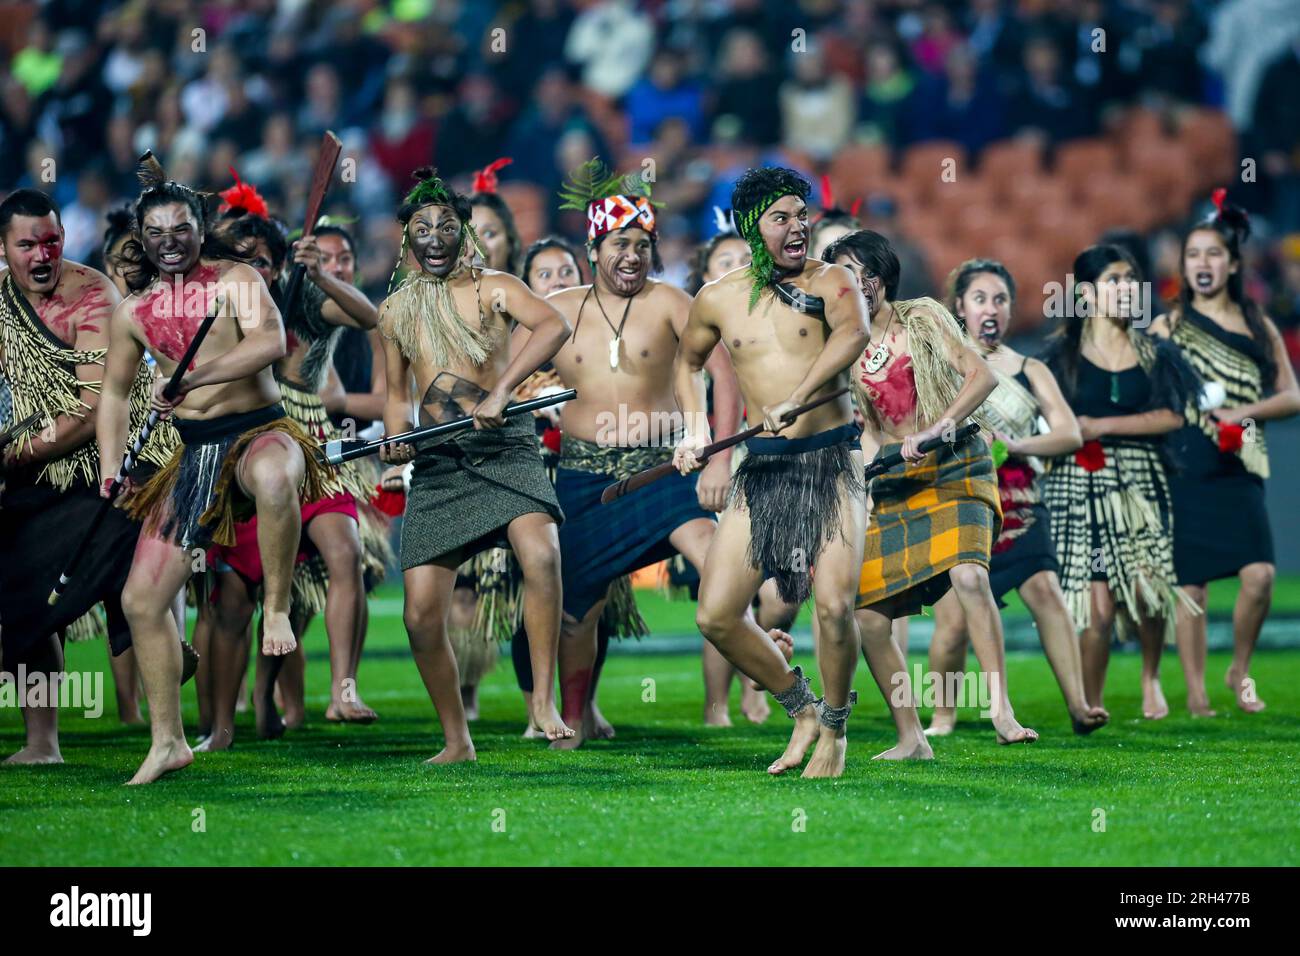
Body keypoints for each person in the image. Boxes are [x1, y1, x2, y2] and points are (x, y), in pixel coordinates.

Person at [99, 153, 330, 784]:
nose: (170, 244)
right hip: (193, 449)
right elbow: (116, 396)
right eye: (156, 234)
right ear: (140, 240)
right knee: (141, 600)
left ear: (200, 229)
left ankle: (276, 609)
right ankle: (168, 740)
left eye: (182, 230)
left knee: (278, 478)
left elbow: (269, 342)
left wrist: (196, 374)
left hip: (259, 429)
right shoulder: (133, 312)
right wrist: (110, 465)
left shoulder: (237, 279)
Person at [675, 167, 897, 778]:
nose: (798, 226)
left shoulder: (836, 279)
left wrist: (799, 395)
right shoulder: (717, 297)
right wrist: (696, 430)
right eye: (782, 217)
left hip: (832, 460)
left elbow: (853, 336)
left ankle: (834, 729)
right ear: (752, 228)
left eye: (802, 214)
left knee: (832, 607)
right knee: (716, 614)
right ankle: (799, 705)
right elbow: (687, 362)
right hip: (764, 470)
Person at [545, 159, 748, 747]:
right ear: (594, 247)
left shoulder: (671, 302)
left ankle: (755, 637)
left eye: (641, 243)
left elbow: (724, 374)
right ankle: (575, 717)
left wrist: (718, 456)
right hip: (584, 474)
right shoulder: (557, 309)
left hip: (662, 467)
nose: (631, 254)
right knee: (575, 610)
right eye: (618, 243)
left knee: (712, 551)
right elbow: (509, 377)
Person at [377, 167, 574, 761]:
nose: (434, 237)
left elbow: (554, 325)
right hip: (440, 459)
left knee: (541, 555)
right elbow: (393, 395)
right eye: (421, 229)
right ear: (407, 241)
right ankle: (456, 738)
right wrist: (395, 443)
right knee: (419, 615)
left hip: (505, 444)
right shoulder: (395, 310)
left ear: (464, 232)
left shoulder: (496, 287)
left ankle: (542, 702)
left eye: (445, 226)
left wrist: (503, 391)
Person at [194, 184, 387, 749]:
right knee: (234, 601)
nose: (256, 270)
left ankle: (343, 690)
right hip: (250, 446)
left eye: (266, 262)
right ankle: (224, 725)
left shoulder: (304, 301)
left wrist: (321, 274)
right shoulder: (221, 305)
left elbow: (370, 315)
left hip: (317, 449)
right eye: (245, 261)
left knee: (344, 552)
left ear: (280, 266)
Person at [825, 230, 1036, 748]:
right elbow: (870, 424)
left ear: (879, 276)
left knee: (968, 577)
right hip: (898, 479)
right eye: (844, 275)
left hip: (954, 463)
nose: (858, 283)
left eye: (862, 271)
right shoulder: (844, 343)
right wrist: (869, 470)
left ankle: (1001, 711)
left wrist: (937, 426)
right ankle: (911, 736)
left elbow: (980, 376)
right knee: (869, 615)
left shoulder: (921, 316)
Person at [0, 188, 177, 764]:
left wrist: (12, 454)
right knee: (21, 595)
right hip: (35, 473)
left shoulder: (93, 296)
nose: (41, 254)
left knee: (134, 588)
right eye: (26, 244)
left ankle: (169, 724)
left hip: (110, 464)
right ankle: (42, 743)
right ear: (5, 249)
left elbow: (93, 408)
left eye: (50, 240)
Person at [925, 258, 1107, 736]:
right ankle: (943, 716)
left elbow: (1068, 433)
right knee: (953, 621)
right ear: (959, 306)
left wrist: (1014, 446)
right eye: (980, 298)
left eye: (1000, 299)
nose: (991, 308)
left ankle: (1079, 706)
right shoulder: (942, 361)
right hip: (958, 495)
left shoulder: (1030, 369)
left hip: (1019, 500)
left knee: (1046, 591)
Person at [1153, 191, 1300, 714]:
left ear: (1233, 262)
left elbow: (1291, 395)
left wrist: (1244, 413)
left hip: (1240, 461)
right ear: (1183, 265)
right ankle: (1195, 692)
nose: (1202, 264)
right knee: (1190, 585)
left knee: (1259, 576)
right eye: (1193, 255)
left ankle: (1239, 668)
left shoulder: (1256, 322)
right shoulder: (1167, 327)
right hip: (1185, 461)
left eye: (1213, 254)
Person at [1040, 243, 1200, 720]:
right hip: (1080, 488)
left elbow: (1174, 416)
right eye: (1115, 281)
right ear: (1086, 294)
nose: (1127, 288)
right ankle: (1091, 703)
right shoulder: (1059, 355)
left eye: (1131, 279)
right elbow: (1043, 420)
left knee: (1149, 593)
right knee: (1098, 610)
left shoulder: (1155, 351)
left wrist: (1103, 426)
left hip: (1140, 484)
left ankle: (1151, 677)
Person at [684, 216, 797, 725]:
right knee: (723, 597)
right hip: (713, 464)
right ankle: (717, 707)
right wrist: (707, 456)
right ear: (706, 279)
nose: (736, 270)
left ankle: (761, 680)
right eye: (723, 264)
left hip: (772, 463)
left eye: (742, 261)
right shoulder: (696, 329)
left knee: (779, 591)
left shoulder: (775, 320)